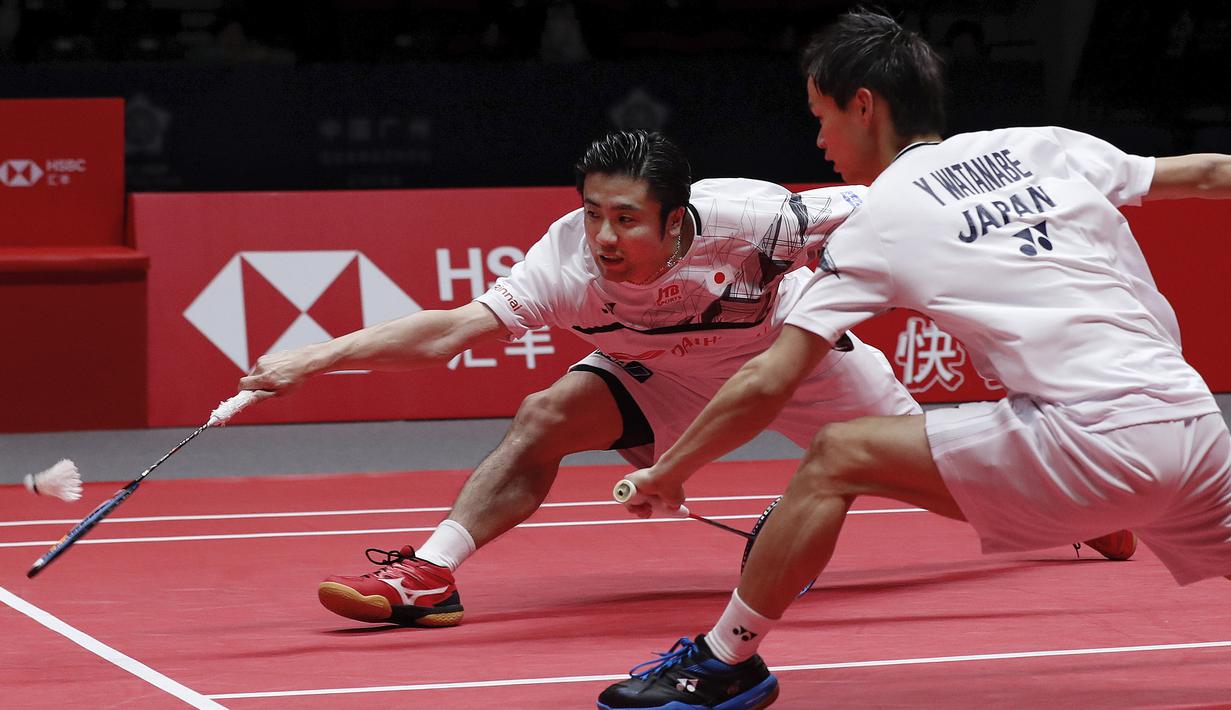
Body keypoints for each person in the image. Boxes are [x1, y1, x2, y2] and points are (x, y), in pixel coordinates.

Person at [598, 10, 1231, 710]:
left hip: (1090, 437)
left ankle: (721, 664)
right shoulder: (1040, 146)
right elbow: (1206, 173)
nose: (819, 141)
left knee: (837, 453)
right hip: (1195, 427)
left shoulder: (882, 216)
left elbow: (767, 378)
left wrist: (668, 471)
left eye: (822, 116)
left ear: (863, 105)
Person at [240, 130, 926, 627]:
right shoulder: (565, 263)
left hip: (792, 360)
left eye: (625, 220)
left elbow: (907, 206)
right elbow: (450, 331)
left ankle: (1032, 502)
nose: (603, 236)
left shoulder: (757, 224)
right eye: (594, 212)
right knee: (544, 416)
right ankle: (429, 572)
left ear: (675, 220)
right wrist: (316, 357)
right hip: (657, 374)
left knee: (943, 470)